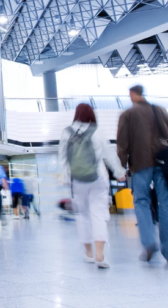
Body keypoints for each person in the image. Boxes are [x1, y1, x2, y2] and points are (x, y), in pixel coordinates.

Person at [117, 84, 168, 264]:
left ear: (132, 94)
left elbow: (122, 144)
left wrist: (121, 168)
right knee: (166, 203)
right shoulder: (160, 111)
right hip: (164, 163)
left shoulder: (127, 115)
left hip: (140, 163)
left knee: (141, 201)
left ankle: (149, 242)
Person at [61, 103, 126, 268]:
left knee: (83, 215)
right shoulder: (98, 131)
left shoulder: (66, 132)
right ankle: (100, 255)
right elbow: (109, 155)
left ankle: (89, 254)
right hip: (98, 178)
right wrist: (119, 172)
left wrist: (67, 179)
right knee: (98, 214)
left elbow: (63, 159)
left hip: (77, 180)